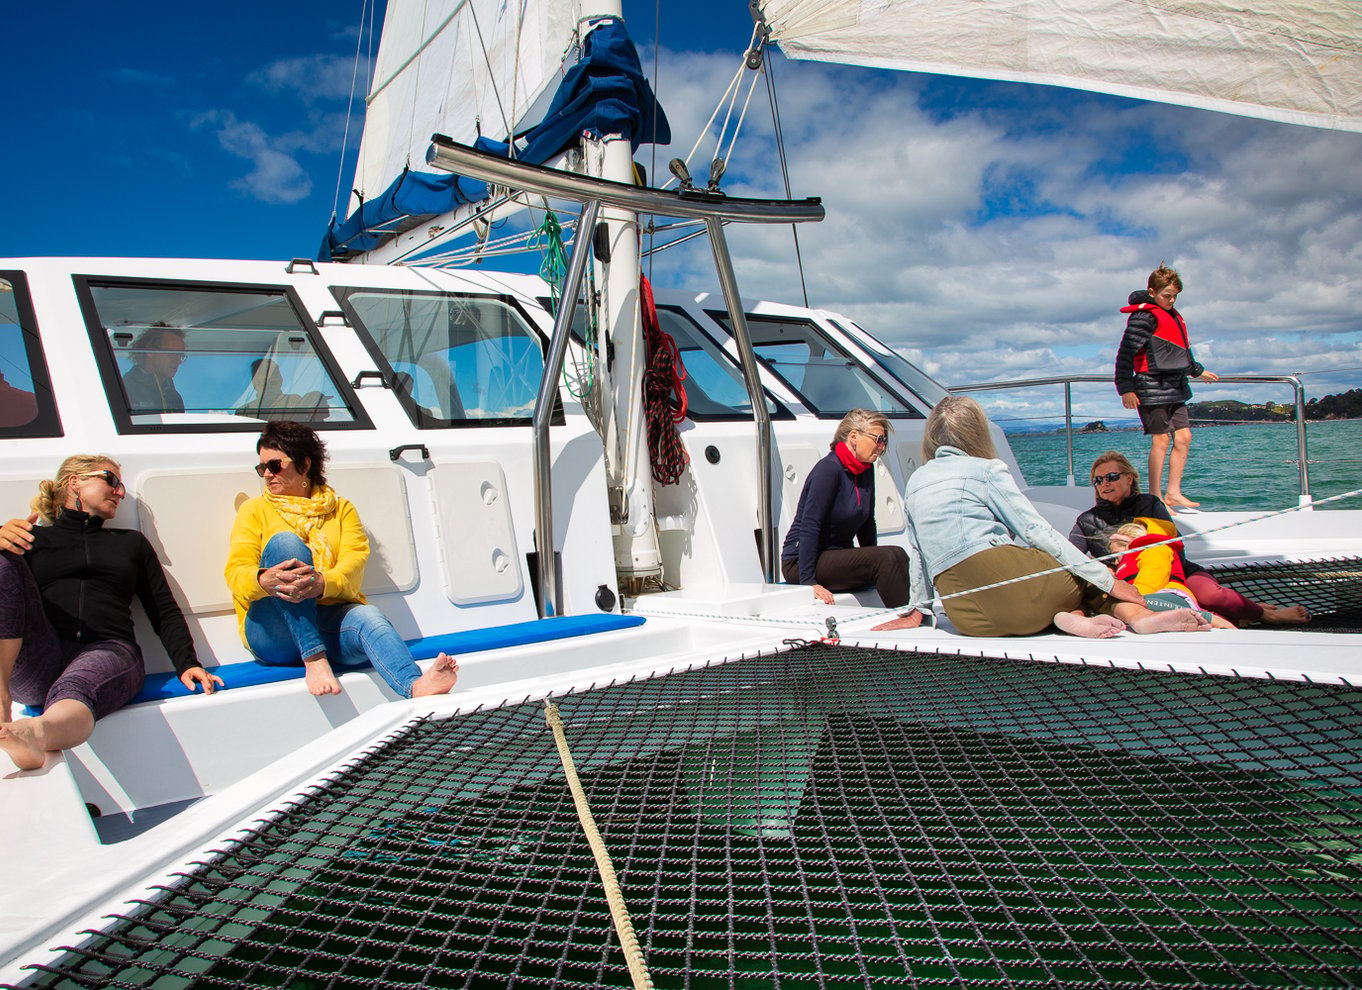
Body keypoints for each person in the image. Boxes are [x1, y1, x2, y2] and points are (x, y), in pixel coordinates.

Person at [904, 396, 1211, 638]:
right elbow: (1035, 531)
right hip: (1018, 593)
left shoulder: (915, 482)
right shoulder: (986, 470)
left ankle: (1066, 618)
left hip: (972, 618)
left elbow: (918, 554)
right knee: (1077, 570)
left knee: (1057, 581)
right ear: (977, 433)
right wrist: (1110, 582)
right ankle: (1139, 618)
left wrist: (918, 610)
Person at [0, 456, 221, 770]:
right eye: (112, 480)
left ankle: (36, 733)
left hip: (108, 649)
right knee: (3, 559)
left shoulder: (131, 544)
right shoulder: (33, 539)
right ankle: (1, 699)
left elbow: (163, 609)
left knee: (77, 685)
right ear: (74, 482)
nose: (120, 492)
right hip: (40, 657)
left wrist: (187, 663)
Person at [225, 420, 459, 698]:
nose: (266, 474)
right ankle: (314, 659)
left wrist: (322, 583)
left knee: (368, 616)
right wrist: (264, 579)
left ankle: (415, 686)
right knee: (285, 544)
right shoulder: (254, 510)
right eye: (261, 467)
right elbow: (236, 573)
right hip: (275, 632)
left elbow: (353, 568)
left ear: (304, 464)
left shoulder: (342, 510)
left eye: (274, 466)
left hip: (328, 621)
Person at [1070, 451, 1310, 625]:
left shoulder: (1150, 504)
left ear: (1129, 478)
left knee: (1210, 595)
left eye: (1111, 477)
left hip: (1176, 571)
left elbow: (1175, 545)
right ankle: (1238, 615)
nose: (1104, 484)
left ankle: (1266, 615)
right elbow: (1070, 556)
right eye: (1098, 480)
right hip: (1127, 582)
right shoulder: (1086, 520)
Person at [780, 409, 926, 632]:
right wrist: (809, 582)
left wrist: (874, 564)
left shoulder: (865, 470)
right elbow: (811, 525)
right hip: (801, 562)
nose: (882, 447)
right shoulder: (828, 470)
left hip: (835, 557)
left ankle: (916, 614)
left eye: (884, 441)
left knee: (896, 556)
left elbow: (867, 522)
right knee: (889, 556)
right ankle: (908, 620)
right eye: (878, 439)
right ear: (854, 437)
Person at [1114, 265, 1218, 510]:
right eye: (1166, 296)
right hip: (1151, 387)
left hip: (1175, 386)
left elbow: (1179, 350)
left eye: (1174, 296)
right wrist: (1125, 388)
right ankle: (1156, 497)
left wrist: (1198, 370)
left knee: (1184, 437)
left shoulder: (1172, 315)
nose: (1171, 300)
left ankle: (1173, 492)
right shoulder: (1144, 317)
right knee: (1160, 440)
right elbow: (1125, 354)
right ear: (1152, 292)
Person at [1108, 520, 1235, 629]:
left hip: (1169, 594)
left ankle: (1208, 618)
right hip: (1146, 597)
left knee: (1123, 605)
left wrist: (1131, 597)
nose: (1116, 561)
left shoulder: (1154, 550)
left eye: (1116, 554)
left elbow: (1153, 578)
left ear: (1129, 545)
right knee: (1120, 606)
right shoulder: (1124, 564)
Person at [236, 358, 329, 421]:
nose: (270, 384)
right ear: (254, 383)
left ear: (281, 380)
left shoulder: (296, 402)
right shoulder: (244, 412)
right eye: (265, 381)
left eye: (273, 379)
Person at [122, 324, 187, 413]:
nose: (178, 361)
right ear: (150, 351)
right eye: (172, 353)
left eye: (181, 355)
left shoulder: (174, 397)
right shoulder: (124, 390)